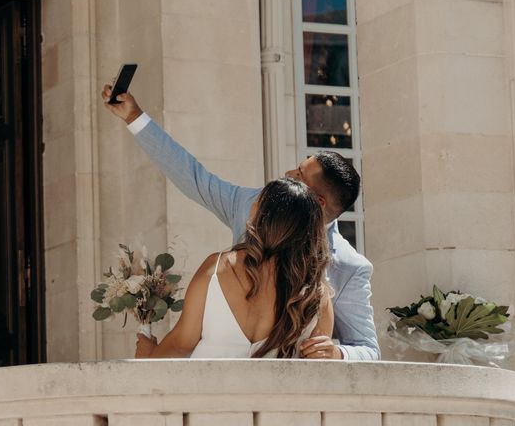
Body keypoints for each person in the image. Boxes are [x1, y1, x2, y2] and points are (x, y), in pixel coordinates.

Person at [102, 85, 380, 361]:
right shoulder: (248, 204)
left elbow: (368, 348)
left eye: (298, 177)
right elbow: (193, 178)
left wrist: (338, 353)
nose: (286, 174)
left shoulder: (346, 269)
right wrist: (134, 117)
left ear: (316, 201)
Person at [135, 178, 334, 358]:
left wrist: (147, 357)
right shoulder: (316, 297)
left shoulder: (217, 268)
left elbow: (179, 345)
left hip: (207, 396)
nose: (252, 205)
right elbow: (318, 367)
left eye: (257, 201)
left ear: (262, 215)